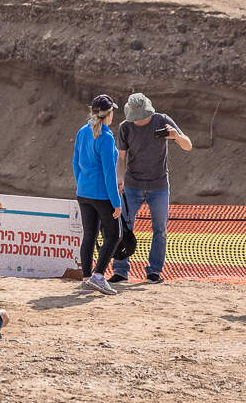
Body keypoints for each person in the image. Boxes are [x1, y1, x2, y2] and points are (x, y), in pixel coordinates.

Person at [112, 92, 193, 284]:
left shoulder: (162, 120)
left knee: (160, 230)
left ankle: (154, 271)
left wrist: (176, 137)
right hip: (132, 186)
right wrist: (119, 178)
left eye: (141, 117)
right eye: (135, 117)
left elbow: (188, 146)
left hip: (159, 186)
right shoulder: (125, 127)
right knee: (123, 227)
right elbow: (121, 158)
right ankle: (120, 270)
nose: (138, 120)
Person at [72, 95, 123, 295]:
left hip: (84, 192)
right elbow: (109, 174)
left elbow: (75, 163)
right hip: (101, 195)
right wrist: (116, 202)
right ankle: (98, 276)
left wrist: (82, 185)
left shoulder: (82, 131)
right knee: (114, 235)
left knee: (89, 236)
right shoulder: (106, 137)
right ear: (108, 114)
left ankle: (87, 280)